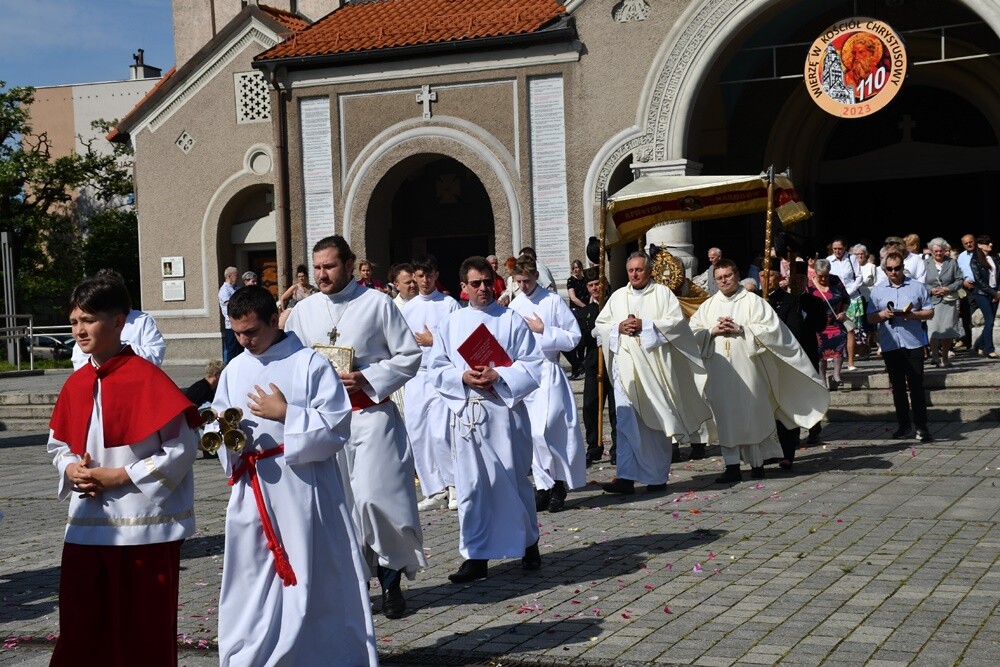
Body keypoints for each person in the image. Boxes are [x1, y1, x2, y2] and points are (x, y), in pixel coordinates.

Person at [212, 286, 377, 666]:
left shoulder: (309, 364)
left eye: (251, 331)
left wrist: (287, 413)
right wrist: (226, 441)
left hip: (304, 486)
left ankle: (314, 651)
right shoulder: (235, 367)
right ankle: (252, 650)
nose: (243, 341)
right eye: (237, 333)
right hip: (253, 486)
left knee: (309, 570)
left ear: (274, 321)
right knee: (252, 574)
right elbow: (223, 420)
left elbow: (337, 426)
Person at [47, 274, 200, 667]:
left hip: (143, 527)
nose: (80, 329)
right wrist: (71, 468)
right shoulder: (76, 383)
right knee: (83, 626)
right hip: (87, 521)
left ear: (118, 322)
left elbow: (182, 447)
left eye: (89, 319)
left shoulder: (149, 378)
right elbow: (58, 443)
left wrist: (123, 475)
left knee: (141, 633)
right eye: (74, 321)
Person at [285, 235, 424, 618]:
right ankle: (355, 586)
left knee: (378, 502)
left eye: (329, 266)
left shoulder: (378, 304)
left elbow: (410, 356)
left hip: (372, 417)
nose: (321, 274)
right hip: (328, 424)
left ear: (349, 265)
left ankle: (391, 582)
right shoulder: (305, 310)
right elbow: (292, 362)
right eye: (317, 267)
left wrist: (366, 376)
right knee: (340, 506)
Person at [427, 255, 545, 582]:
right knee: (472, 486)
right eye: (475, 284)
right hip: (469, 414)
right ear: (463, 288)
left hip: (505, 413)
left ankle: (528, 542)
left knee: (512, 479)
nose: (483, 289)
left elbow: (532, 365)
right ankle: (475, 556)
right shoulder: (450, 324)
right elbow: (436, 368)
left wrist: (500, 374)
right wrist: (462, 377)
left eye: (487, 282)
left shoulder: (510, 320)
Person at [690, 260, 828, 482]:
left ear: (737, 275)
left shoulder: (754, 302)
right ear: (715, 281)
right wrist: (712, 331)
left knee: (752, 413)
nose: (724, 280)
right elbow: (693, 334)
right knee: (725, 417)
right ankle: (732, 465)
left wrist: (742, 329)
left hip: (750, 370)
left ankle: (757, 463)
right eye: (720, 277)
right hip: (719, 373)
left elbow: (773, 331)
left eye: (728, 275)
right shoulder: (708, 306)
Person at [595, 251, 712, 495]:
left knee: (656, 421)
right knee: (626, 422)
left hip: (655, 369)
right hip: (625, 370)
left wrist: (645, 325)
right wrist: (618, 327)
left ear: (649, 271)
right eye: (631, 270)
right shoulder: (618, 297)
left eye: (639, 269)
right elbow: (600, 327)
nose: (635, 274)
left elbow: (677, 325)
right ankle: (626, 476)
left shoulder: (662, 294)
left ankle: (657, 477)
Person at [509, 256, 586, 513]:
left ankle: (560, 482)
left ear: (536, 277)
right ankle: (543, 485)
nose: (523, 286)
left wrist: (545, 330)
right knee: (530, 433)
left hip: (547, 371)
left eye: (527, 281)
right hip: (524, 374)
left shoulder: (552, 301)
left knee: (548, 429)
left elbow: (573, 336)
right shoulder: (516, 303)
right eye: (518, 281)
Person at [401, 255, 461, 511]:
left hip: (440, 373)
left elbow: (459, 340)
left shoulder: (449, 304)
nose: (425, 280)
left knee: (440, 431)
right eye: (420, 275)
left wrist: (433, 340)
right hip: (416, 376)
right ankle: (433, 488)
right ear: (414, 277)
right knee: (418, 432)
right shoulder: (407, 308)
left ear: (437, 275)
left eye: (429, 275)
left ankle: (455, 484)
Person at [867, 251, 935, 442]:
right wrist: (883, 315)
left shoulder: (917, 287)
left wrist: (913, 315)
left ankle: (922, 427)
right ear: (885, 270)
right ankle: (903, 425)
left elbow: (930, 312)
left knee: (916, 386)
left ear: (903, 268)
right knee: (897, 387)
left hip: (913, 342)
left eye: (897, 268)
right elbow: (870, 317)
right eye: (890, 269)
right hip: (891, 344)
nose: (894, 272)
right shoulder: (878, 290)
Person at [766, 269, 826, 464]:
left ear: (806, 281)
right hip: (785, 356)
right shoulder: (782, 301)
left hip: (806, 351)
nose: (796, 283)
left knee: (807, 392)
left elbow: (820, 325)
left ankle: (814, 428)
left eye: (800, 279)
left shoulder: (814, 301)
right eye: (793, 280)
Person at [578, 268, 617, 464]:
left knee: (615, 408)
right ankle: (594, 447)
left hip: (613, 362)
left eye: (598, 284)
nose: (595, 288)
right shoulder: (586, 312)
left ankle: (617, 448)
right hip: (594, 363)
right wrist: (591, 334)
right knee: (590, 407)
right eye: (591, 285)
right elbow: (581, 340)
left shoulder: (613, 306)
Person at [808, 259, 849, 390]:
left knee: (840, 344)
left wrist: (843, 311)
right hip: (818, 324)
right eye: (821, 276)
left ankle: (837, 375)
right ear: (815, 273)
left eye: (826, 275)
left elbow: (846, 299)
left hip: (835, 321)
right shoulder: (809, 286)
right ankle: (822, 378)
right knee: (821, 352)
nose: (824, 279)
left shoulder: (836, 281)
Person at [924, 238, 964, 367]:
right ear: (931, 251)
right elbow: (919, 283)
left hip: (948, 301)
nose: (938, 253)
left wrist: (948, 288)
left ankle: (945, 357)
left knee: (947, 330)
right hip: (932, 301)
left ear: (945, 251)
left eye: (941, 251)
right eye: (935, 251)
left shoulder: (952, 262)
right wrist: (931, 290)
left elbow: (959, 280)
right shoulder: (924, 264)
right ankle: (935, 356)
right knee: (933, 330)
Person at [827, 237, 865, 370]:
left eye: (840, 249)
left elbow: (859, 277)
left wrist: (848, 291)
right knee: (835, 328)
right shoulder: (828, 260)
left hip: (851, 296)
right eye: (835, 249)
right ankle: (834, 357)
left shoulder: (851, 258)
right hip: (835, 299)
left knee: (850, 328)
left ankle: (850, 362)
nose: (837, 251)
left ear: (845, 248)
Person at [970, 235, 999, 359]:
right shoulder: (975, 260)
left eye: (991, 242)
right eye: (987, 243)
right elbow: (979, 281)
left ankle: (980, 345)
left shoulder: (995, 258)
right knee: (990, 320)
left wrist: (997, 292)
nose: (990, 245)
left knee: (990, 322)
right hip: (982, 293)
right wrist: (993, 293)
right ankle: (989, 349)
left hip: (995, 292)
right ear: (980, 245)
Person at [564, 259, 588, 378]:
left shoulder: (585, 280)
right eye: (574, 268)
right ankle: (576, 368)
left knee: (583, 340)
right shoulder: (571, 281)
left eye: (577, 267)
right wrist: (584, 306)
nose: (576, 270)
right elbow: (573, 298)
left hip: (585, 311)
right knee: (576, 339)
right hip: (576, 311)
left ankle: (581, 363)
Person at [957, 233, 977, 351]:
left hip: (982, 288)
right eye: (966, 243)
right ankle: (970, 343)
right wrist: (963, 282)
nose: (969, 244)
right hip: (967, 289)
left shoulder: (981, 253)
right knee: (967, 317)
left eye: (970, 242)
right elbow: (958, 273)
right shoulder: (961, 256)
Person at [219, 266, 243, 363]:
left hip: (240, 323)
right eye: (236, 275)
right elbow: (230, 304)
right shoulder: (224, 290)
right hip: (231, 325)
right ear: (229, 276)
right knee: (232, 351)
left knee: (241, 349)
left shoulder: (237, 288)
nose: (238, 277)